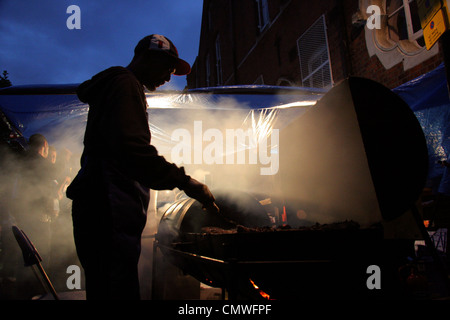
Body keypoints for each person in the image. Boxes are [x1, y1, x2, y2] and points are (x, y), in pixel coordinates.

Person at [66, 34, 219, 300]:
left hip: (102, 207)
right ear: (148, 57)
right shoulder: (125, 84)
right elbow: (133, 150)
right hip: (108, 207)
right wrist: (188, 183)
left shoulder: (119, 86)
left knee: (107, 289)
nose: (169, 78)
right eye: (167, 68)